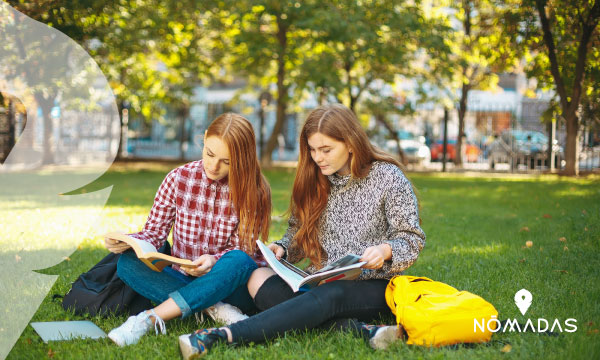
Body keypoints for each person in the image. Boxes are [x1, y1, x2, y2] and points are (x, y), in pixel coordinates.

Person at [179, 103, 425, 359]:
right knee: (257, 276)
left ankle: (222, 336)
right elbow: (298, 232)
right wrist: (283, 248)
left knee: (331, 294)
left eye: (326, 149)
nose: (318, 157)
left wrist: (385, 251)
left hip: (374, 285)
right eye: (313, 149)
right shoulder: (314, 177)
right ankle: (361, 331)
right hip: (318, 281)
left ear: (351, 143)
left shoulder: (388, 177)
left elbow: (411, 239)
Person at [105, 113, 271, 346]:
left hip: (230, 284)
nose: (214, 166)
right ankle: (214, 308)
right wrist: (126, 241)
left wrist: (213, 261)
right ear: (204, 140)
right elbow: (154, 233)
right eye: (210, 154)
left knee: (239, 259)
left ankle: (149, 319)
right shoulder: (177, 179)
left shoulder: (255, 191)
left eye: (227, 161)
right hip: (181, 276)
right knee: (127, 264)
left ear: (242, 159)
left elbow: (244, 250)